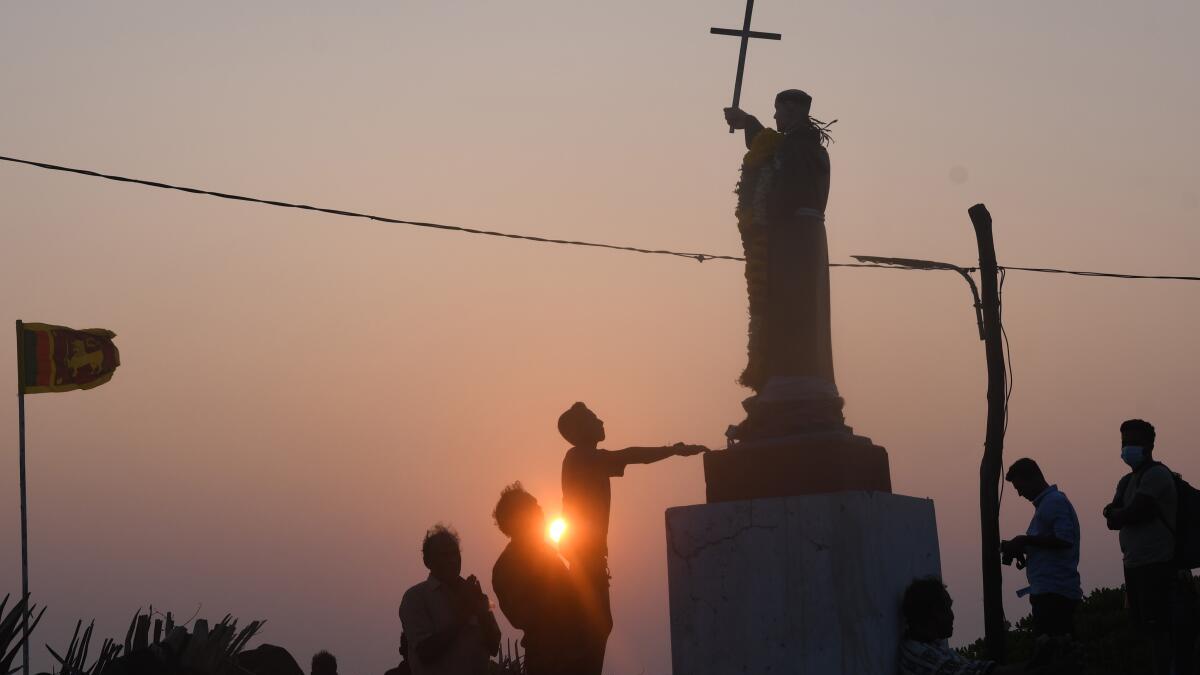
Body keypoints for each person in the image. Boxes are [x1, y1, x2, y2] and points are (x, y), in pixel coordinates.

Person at [558, 402, 707, 675]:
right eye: (593, 418)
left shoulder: (587, 459)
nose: (601, 420)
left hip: (589, 561)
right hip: (585, 562)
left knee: (598, 627)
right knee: (594, 628)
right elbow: (630, 455)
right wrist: (673, 450)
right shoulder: (581, 458)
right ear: (580, 430)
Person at [722, 90, 835, 394]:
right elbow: (774, 149)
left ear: (793, 110)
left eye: (778, 110)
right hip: (794, 236)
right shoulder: (796, 146)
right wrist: (748, 123)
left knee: (793, 305)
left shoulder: (803, 148)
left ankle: (793, 378)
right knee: (785, 303)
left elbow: (779, 160)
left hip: (796, 237)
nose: (775, 117)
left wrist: (749, 123)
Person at [1103, 418, 1197, 675]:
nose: (1127, 448)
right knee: (1148, 632)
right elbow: (1113, 519)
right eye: (1124, 442)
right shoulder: (1126, 481)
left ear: (1149, 445)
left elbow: (1132, 511)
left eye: (1133, 442)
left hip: (1158, 565)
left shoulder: (1157, 474)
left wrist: (1118, 512)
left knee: (1162, 633)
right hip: (1134, 565)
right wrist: (1119, 513)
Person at [491, 482, 584, 675]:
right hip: (550, 658)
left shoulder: (547, 554)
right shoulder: (507, 567)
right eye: (534, 509)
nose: (541, 513)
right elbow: (521, 617)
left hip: (571, 653)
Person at [400, 525, 502, 675]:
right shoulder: (415, 598)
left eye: (455, 554)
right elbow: (425, 652)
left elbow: (494, 647)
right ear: (427, 561)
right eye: (444, 555)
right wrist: (463, 617)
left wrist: (482, 611)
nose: (452, 560)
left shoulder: (473, 593)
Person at [1001, 458, 1082, 638]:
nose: (1020, 494)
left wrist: (1024, 541)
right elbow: (1048, 542)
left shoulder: (1054, 502)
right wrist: (1025, 548)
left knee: (1054, 653)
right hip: (1049, 591)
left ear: (1033, 478)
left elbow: (1064, 539)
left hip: (1055, 593)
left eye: (1019, 487)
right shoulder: (1047, 505)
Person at [899, 577, 1032, 675]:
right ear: (930, 613)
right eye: (946, 609)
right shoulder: (919, 655)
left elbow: (976, 667)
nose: (952, 616)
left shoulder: (932, 646)